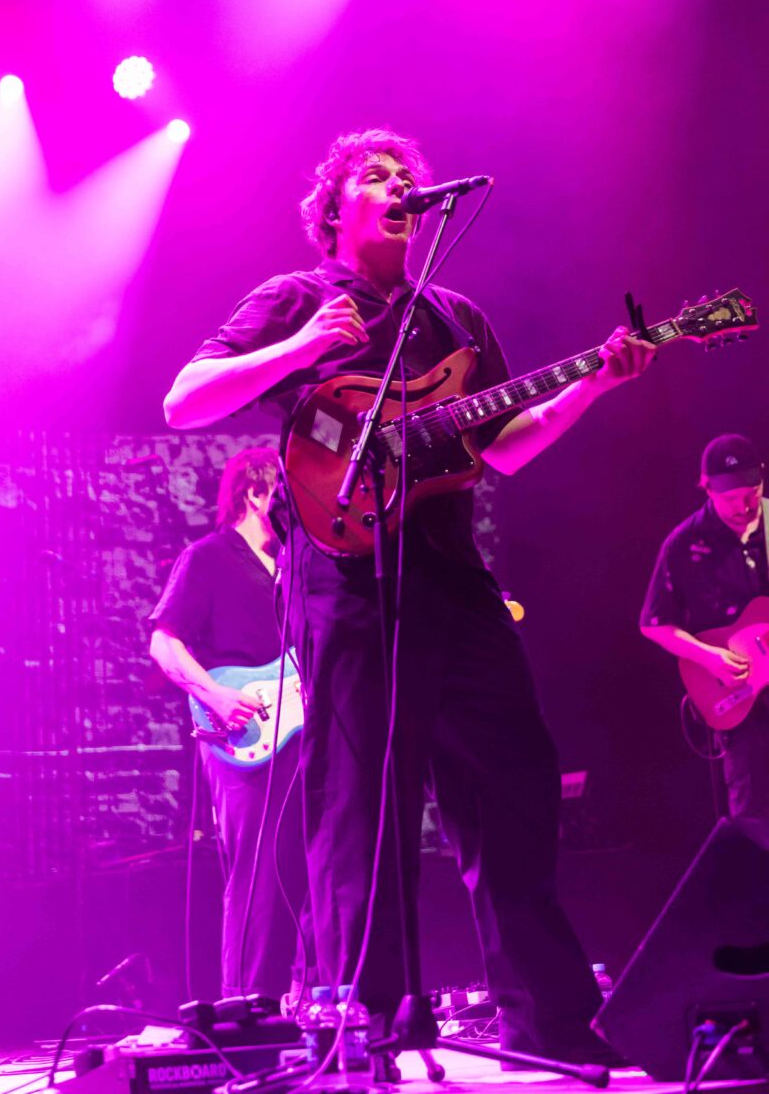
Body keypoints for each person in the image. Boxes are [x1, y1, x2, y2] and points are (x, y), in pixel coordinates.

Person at [162, 128, 654, 1062]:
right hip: (343, 579)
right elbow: (185, 400)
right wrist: (300, 347)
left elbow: (507, 446)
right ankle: (371, 1027)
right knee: (360, 804)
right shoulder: (296, 299)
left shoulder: (456, 320)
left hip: (451, 576)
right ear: (334, 209)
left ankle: (551, 1020)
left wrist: (594, 383)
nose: (398, 187)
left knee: (513, 780)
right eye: (376, 177)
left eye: (406, 178)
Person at [149, 446, 314, 1003]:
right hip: (243, 736)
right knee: (260, 866)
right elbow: (164, 642)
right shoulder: (207, 558)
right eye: (290, 491)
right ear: (256, 492)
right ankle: (250, 1003)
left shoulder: (298, 565)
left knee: (316, 862)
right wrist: (215, 695)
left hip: (304, 731)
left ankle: (319, 1000)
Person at [641, 433, 769, 819]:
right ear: (707, 488)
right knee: (753, 813)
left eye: (752, 493)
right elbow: (654, 624)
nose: (744, 507)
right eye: (731, 498)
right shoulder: (684, 543)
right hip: (740, 697)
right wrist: (710, 658)